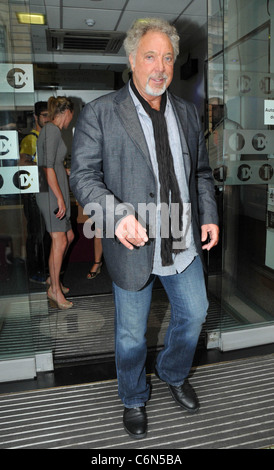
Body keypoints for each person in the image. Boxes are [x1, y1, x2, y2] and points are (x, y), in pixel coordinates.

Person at [70, 18, 219, 439]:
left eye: (168, 58)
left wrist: (208, 214)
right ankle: (133, 396)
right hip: (131, 245)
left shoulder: (188, 114)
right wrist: (117, 215)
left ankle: (172, 372)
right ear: (132, 60)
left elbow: (202, 173)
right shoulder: (101, 112)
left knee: (194, 314)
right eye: (151, 56)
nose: (160, 67)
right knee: (132, 335)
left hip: (182, 240)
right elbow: (82, 177)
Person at [36, 96, 75, 310]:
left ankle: (54, 280)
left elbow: (54, 165)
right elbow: (47, 167)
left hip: (54, 190)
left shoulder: (52, 131)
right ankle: (54, 291)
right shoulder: (51, 130)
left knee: (67, 236)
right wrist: (60, 197)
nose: (72, 120)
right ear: (66, 112)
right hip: (51, 193)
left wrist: (66, 171)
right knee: (59, 240)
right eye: (72, 115)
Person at [20, 101, 50, 284]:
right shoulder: (31, 139)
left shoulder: (48, 137)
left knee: (45, 235)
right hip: (32, 194)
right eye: (44, 115)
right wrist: (45, 167)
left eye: (49, 115)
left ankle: (44, 269)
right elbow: (22, 163)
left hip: (45, 193)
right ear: (36, 117)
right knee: (35, 234)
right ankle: (34, 271)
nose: (47, 119)